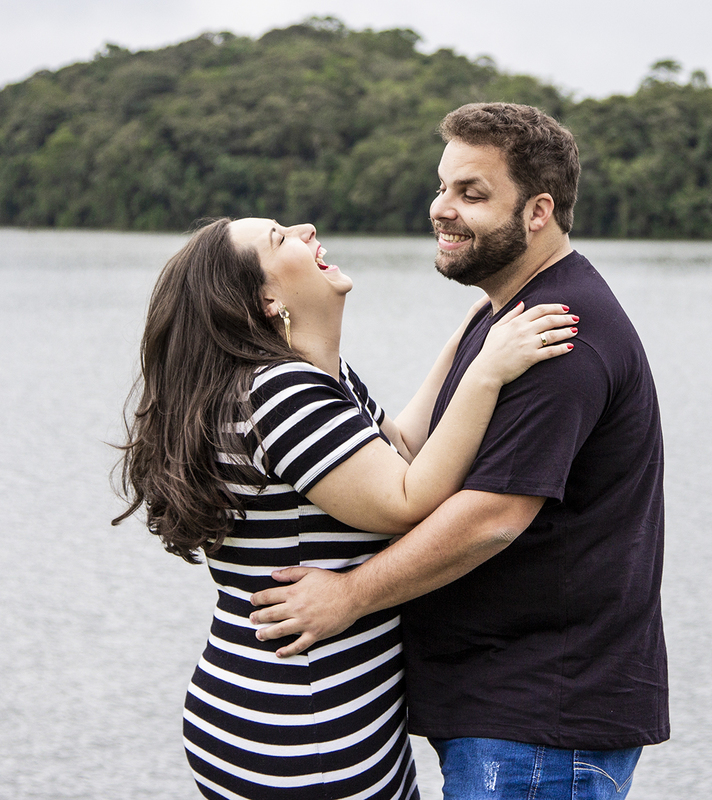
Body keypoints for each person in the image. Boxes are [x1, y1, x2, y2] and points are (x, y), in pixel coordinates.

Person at [248, 103, 669, 800]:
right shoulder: (506, 316)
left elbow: (493, 517)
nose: (442, 208)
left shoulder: (559, 332)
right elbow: (410, 451)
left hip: (540, 722)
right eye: (442, 186)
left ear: (538, 212)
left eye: (471, 194)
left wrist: (349, 595)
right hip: (506, 709)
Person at [112, 215, 578, 800]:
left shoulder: (313, 380)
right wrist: (486, 373)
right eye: (280, 238)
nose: (305, 228)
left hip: (281, 708)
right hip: (304, 726)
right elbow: (407, 499)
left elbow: (401, 448)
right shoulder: (281, 392)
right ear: (267, 300)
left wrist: (473, 334)